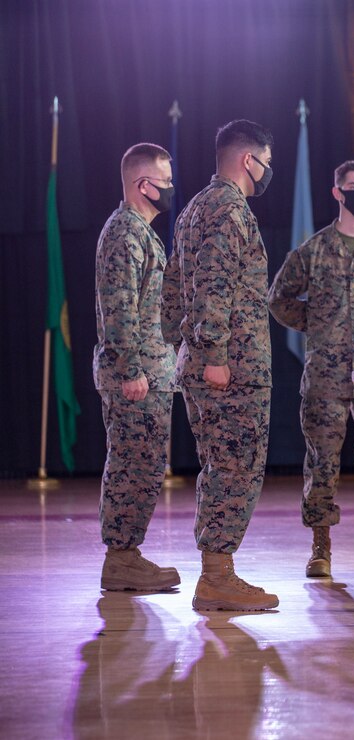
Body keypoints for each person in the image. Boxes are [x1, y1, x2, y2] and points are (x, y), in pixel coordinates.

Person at [162, 119, 279, 611]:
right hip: (230, 367)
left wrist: (177, 346)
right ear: (246, 160)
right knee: (235, 466)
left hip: (206, 360)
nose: (267, 171)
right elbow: (214, 287)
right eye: (266, 162)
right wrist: (211, 356)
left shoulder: (192, 210)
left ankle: (217, 571)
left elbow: (171, 287)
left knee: (219, 465)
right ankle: (217, 577)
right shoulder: (230, 211)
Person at [268, 160, 354, 578]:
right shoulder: (314, 250)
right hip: (325, 376)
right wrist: (318, 324)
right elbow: (279, 298)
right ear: (337, 192)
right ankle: (320, 546)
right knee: (321, 463)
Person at [94, 143, 180, 592]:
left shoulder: (140, 233)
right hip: (137, 377)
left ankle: (127, 554)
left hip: (151, 374)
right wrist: (130, 370)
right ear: (143, 185)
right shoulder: (125, 232)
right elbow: (119, 309)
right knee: (133, 465)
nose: (170, 190)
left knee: (145, 466)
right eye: (165, 182)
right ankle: (122, 558)